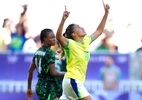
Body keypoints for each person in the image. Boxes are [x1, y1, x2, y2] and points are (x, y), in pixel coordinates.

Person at [56, 0, 110, 99]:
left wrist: (106, 13)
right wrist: (63, 19)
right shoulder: (70, 44)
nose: (82, 28)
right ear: (73, 34)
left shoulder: (85, 40)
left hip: (73, 82)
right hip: (72, 80)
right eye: (79, 27)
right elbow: (59, 36)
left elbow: (99, 31)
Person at [26, 28, 66, 100]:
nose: (54, 39)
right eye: (51, 37)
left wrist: (29, 88)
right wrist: (67, 73)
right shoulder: (49, 53)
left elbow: (30, 71)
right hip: (48, 87)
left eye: (54, 37)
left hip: (40, 86)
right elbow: (53, 73)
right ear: (44, 39)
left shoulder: (38, 51)